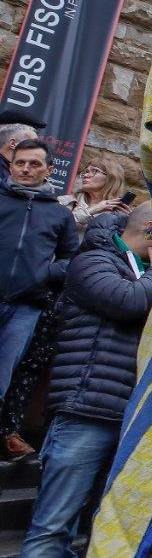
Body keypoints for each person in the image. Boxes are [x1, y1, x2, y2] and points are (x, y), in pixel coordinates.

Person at [20, 206, 152, 557]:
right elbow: (128, 301)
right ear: (151, 228)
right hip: (86, 409)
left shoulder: (145, 273)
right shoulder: (93, 260)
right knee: (52, 528)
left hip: (131, 415)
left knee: (110, 533)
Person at [0, 140, 78, 458]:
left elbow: (71, 258)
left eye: (34, 164)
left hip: (25, 308)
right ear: (11, 166)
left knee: (3, 376)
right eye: (20, 163)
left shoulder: (59, 214)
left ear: (48, 170)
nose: (26, 169)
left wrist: (45, 273)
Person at [60, 157, 130, 237]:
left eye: (94, 171)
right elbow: (54, 226)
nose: (86, 175)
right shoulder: (65, 201)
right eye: (86, 171)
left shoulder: (118, 212)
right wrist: (93, 210)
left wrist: (129, 223)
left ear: (111, 178)